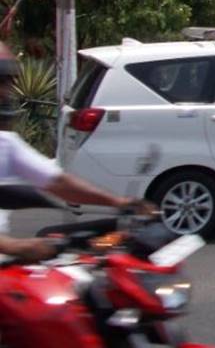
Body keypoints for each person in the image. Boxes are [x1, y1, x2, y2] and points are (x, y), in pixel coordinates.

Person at [0, 41, 150, 262]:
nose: (5, 92)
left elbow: (58, 183)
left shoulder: (6, 144)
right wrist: (16, 246)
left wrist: (121, 203)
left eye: (8, 82)